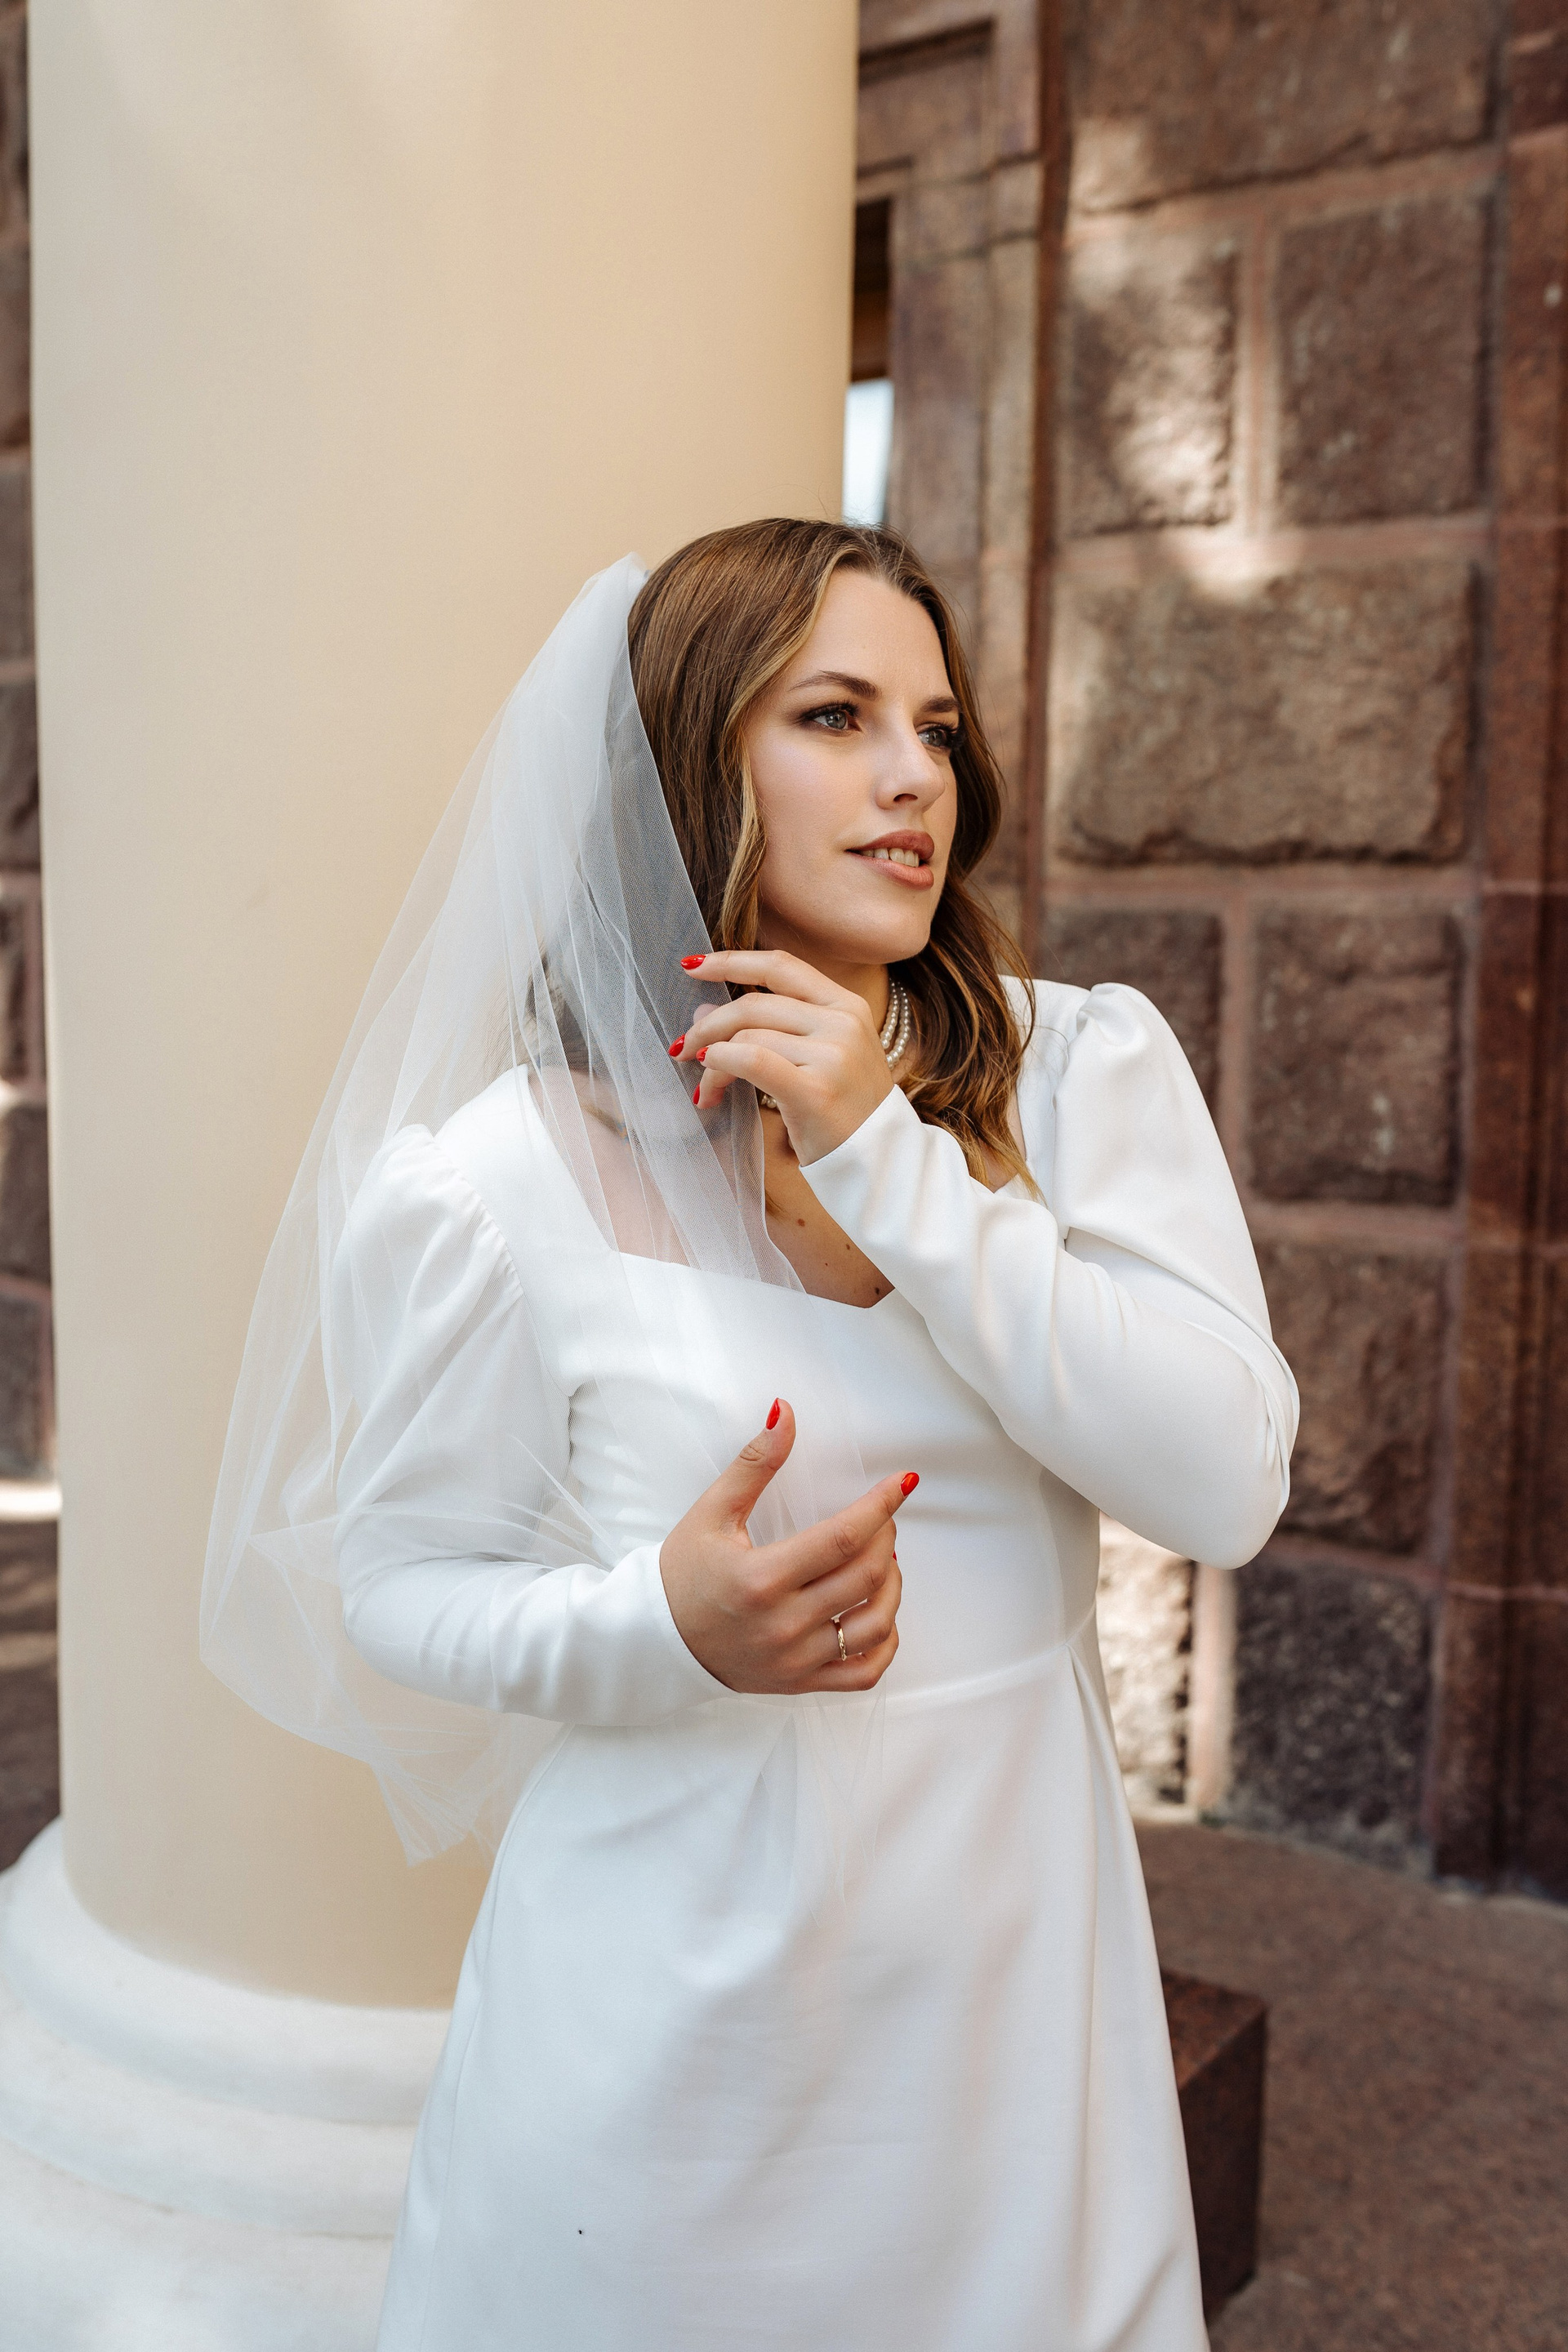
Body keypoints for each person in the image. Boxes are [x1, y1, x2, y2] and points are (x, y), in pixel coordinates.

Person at [203, 519, 1297, 2350]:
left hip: (1007, 2004)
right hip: (660, 2027)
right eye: (836, 716)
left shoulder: (1078, 1075)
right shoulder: (497, 1183)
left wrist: (891, 1157)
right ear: (693, 761)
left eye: (936, 728)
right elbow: (398, 1583)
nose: (912, 777)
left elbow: (1224, 1485)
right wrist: (660, 1624)